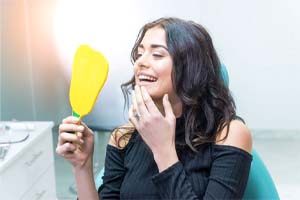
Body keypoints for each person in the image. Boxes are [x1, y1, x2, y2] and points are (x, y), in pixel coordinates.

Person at [56, 17, 252, 199]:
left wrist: (163, 151)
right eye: (140, 54)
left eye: (157, 54)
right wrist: (82, 166)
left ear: (191, 68)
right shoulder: (122, 138)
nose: (141, 62)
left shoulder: (228, 134)